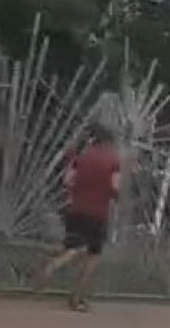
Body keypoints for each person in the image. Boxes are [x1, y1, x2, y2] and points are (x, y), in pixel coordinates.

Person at [32, 124, 121, 312]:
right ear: (107, 141)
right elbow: (115, 189)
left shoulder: (79, 158)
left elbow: (67, 182)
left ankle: (53, 264)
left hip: (75, 210)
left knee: (72, 247)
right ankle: (77, 298)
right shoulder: (112, 161)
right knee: (93, 256)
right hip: (98, 212)